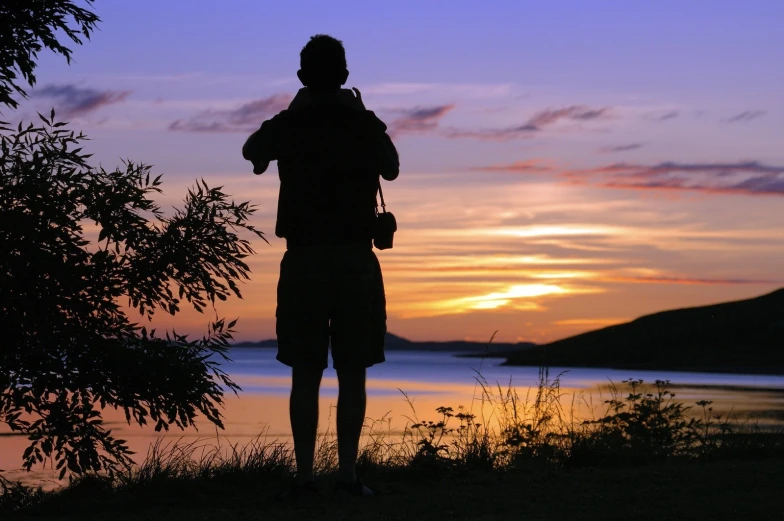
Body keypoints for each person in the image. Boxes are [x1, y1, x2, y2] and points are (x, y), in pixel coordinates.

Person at [241, 34, 399, 501]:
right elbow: (390, 168)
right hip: (354, 260)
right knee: (353, 373)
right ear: (345, 76)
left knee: (305, 372)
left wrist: (295, 110)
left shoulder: (290, 122)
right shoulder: (364, 123)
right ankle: (347, 476)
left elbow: (252, 151)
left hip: (305, 259)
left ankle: (305, 477)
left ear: (302, 77)